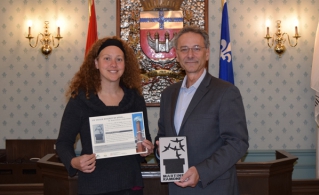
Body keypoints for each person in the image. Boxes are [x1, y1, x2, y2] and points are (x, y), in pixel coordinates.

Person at [154, 25, 249, 195]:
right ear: (177, 55)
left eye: (196, 48)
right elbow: (162, 136)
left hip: (213, 188)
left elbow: (237, 143)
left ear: (207, 53)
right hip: (176, 188)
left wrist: (201, 171)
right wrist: (159, 151)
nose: (190, 55)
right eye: (184, 49)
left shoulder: (226, 92)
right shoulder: (168, 94)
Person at [56, 36, 154, 195]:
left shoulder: (136, 99)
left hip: (130, 185)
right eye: (107, 58)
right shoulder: (80, 100)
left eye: (119, 59)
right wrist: (74, 162)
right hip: (94, 186)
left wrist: (145, 149)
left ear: (125, 64)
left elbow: (144, 140)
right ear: (96, 63)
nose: (113, 64)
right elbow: (63, 142)